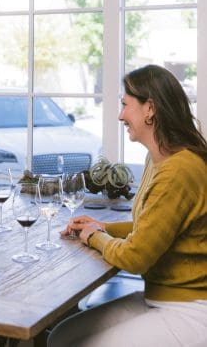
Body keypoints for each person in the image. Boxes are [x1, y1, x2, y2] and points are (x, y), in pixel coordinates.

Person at [48, 64, 207, 347]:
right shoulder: (157, 160)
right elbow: (152, 227)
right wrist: (103, 226)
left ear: (150, 109)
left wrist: (95, 237)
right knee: (60, 338)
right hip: (158, 297)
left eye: (125, 104)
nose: (120, 115)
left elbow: (136, 257)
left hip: (190, 309)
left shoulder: (179, 170)